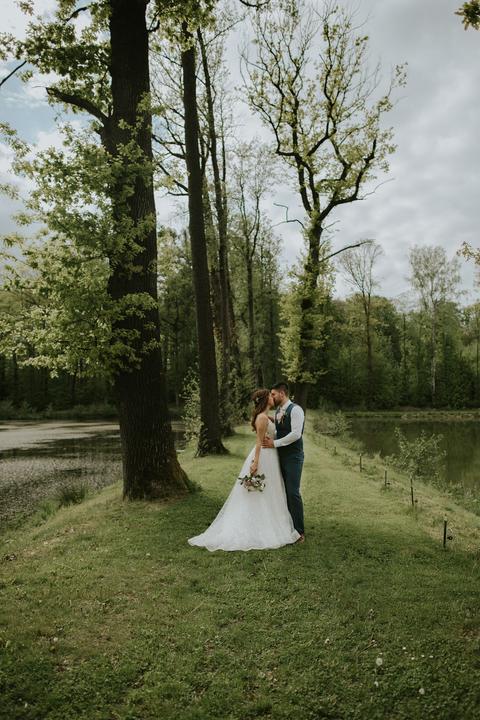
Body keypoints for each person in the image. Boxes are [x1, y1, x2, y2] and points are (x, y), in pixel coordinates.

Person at [187, 388, 300, 552]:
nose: (272, 397)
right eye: (270, 395)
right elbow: (259, 442)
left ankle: (268, 520)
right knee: (261, 492)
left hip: (271, 456)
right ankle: (260, 524)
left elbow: (271, 432)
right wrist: (256, 462)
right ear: (265, 399)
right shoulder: (262, 418)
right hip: (264, 457)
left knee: (270, 491)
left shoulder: (265, 416)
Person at [261, 381, 305, 542]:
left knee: (293, 492)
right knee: (282, 491)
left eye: (273, 394)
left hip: (293, 457)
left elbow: (296, 434)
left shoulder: (296, 410)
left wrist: (274, 443)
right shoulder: (279, 410)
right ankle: (287, 526)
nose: (271, 397)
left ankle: (299, 531)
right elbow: (280, 429)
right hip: (279, 456)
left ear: (282, 393)